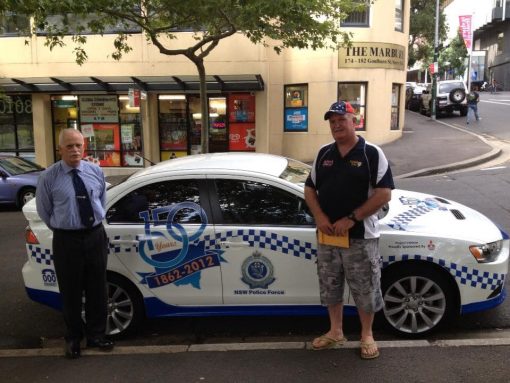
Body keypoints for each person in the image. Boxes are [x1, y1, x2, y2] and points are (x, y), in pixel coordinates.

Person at [304, 101, 394, 360]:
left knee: (365, 287)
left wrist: (352, 218)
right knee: (330, 285)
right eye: (332, 121)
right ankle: (335, 331)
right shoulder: (323, 153)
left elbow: (383, 193)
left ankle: (367, 335)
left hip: (360, 236)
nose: (336, 125)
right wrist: (319, 216)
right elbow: (310, 189)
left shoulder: (372, 153)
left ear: (355, 120)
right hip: (328, 235)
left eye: (341, 119)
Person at [36, 128, 113, 359]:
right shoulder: (48, 177)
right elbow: (44, 211)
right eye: (69, 146)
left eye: (78, 145)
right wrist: (65, 228)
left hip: (95, 235)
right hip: (66, 239)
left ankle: (96, 335)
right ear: (60, 149)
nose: (75, 150)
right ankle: (73, 338)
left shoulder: (95, 171)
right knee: (70, 292)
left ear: (84, 146)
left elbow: (101, 201)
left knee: (98, 288)